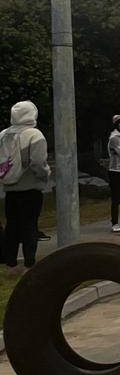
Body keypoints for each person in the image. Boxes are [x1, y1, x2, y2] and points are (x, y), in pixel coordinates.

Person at [1, 101, 50, 274]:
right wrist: (45, 175)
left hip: (10, 189)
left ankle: (10, 262)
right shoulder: (34, 135)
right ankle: (29, 262)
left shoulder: (3, 134)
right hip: (30, 188)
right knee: (30, 225)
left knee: (12, 225)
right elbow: (38, 162)